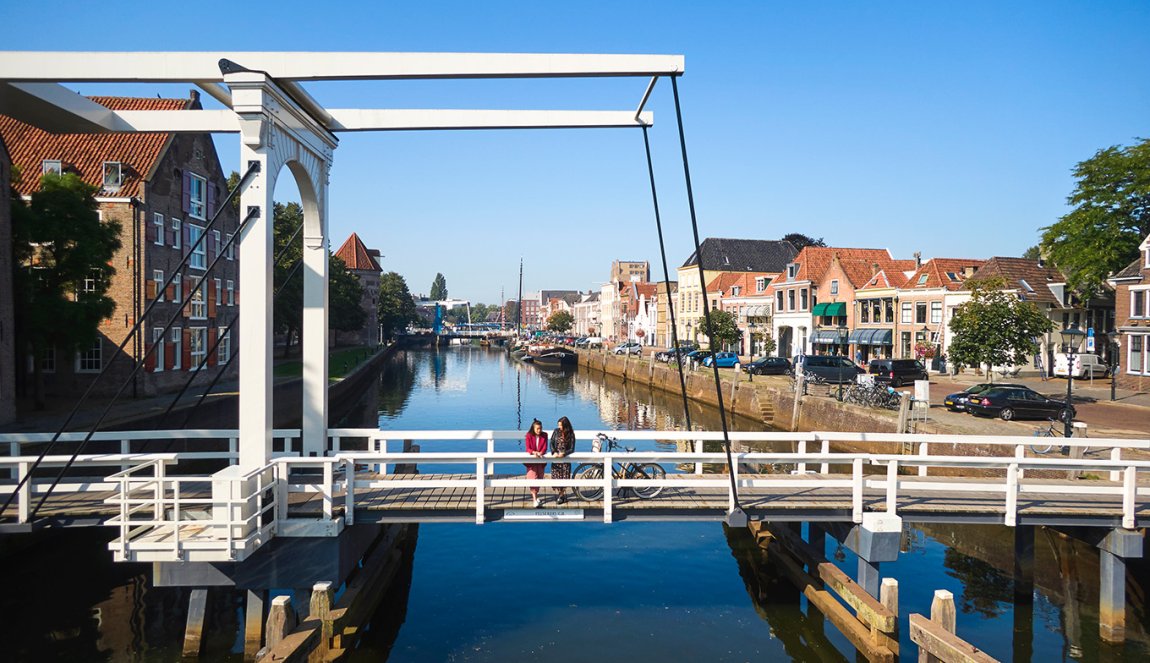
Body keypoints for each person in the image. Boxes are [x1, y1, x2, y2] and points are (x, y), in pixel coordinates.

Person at [550, 416, 576, 505]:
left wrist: (564, 453)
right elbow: (552, 443)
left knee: (564, 477)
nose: (559, 427)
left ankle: (561, 495)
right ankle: (561, 495)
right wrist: (554, 452)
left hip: (565, 460)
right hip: (556, 458)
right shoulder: (556, 431)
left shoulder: (571, 434)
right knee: (556, 477)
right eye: (558, 425)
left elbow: (572, 448)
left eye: (561, 425)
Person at [524, 419, 548, 507]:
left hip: (541, 460)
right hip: (532, 461)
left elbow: (545, 447)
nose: (539, 430)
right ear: (533, 428)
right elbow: (528, 448)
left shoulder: (544, 435)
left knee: (540, 477)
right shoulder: (529, 435)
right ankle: (534, 498)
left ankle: (536, 495)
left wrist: (541, 453)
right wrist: (534, 452)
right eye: (537, 429)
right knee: (532, 478)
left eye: (540, 428)